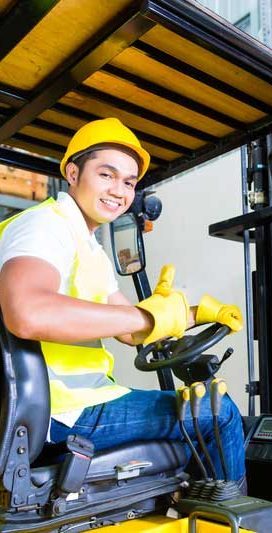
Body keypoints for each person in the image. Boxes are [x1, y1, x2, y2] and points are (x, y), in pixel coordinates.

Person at [0, 117, 245, 482]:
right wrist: (147, 319)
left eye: (129, 182)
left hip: (74, 403)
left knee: (202, 410)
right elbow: (27, 312)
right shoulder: (45, 226)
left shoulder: (87, 244)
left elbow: (128, 329)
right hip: (63, 412)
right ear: (72, 172)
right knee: (219, 410)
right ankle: (232, 516)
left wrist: (186, 314)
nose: (119, 190)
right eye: (106, 175)